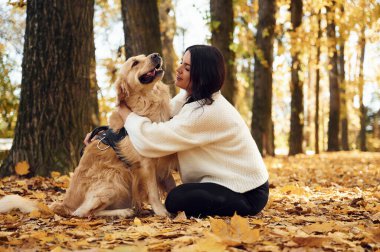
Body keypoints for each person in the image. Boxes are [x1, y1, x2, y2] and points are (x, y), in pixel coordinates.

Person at [91, 45, 269, 218]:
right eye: (181, 63)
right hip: (224, 182)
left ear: (202, 75)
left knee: (177, 199)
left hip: (247, 191)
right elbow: (160, 123)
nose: (178, 69)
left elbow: (151, 138)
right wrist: (104, 133)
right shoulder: (189, 99)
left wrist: (123, 110)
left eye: (187, 68)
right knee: (180, 196)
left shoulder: (208, 112)